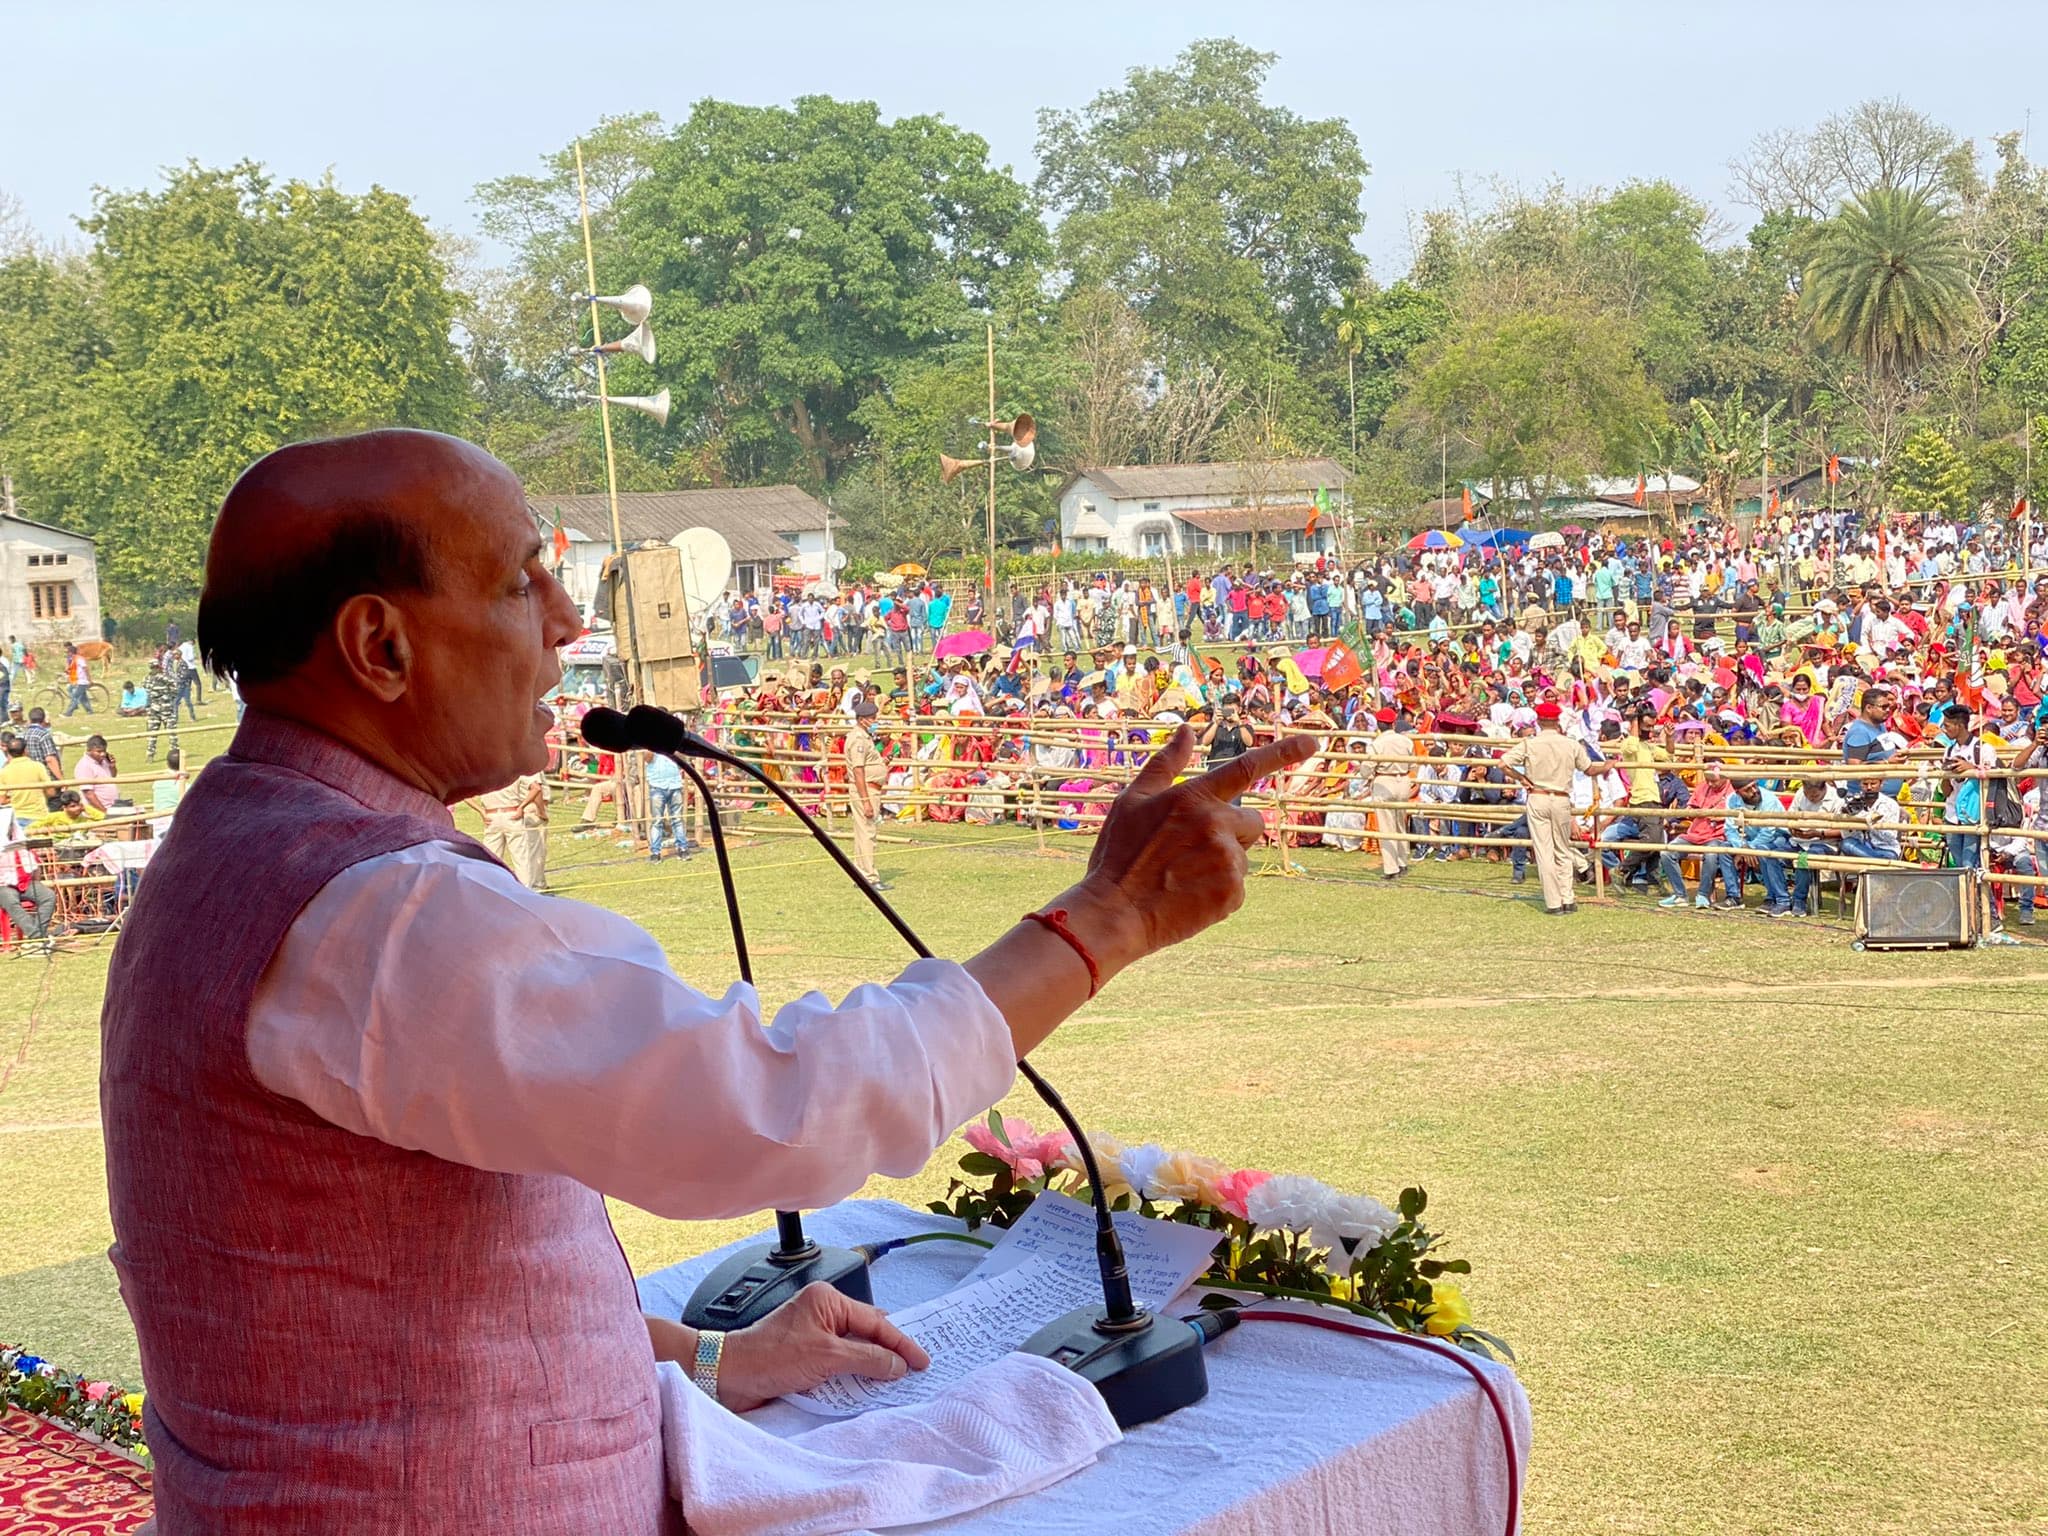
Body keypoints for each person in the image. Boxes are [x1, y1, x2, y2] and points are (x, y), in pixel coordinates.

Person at [100, 427, 1326, 1532]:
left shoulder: (233, 845)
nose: (567, 622)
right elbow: (782, 1109)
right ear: (380, 644)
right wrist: (1102, 920)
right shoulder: (384, 917)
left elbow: (344, 1304)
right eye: (521, 578)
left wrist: (704, 1362)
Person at [1498, 700, 1592, 914]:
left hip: (1538, 795)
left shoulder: (1529, 743)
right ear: (1557, 720)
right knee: (1562, 848)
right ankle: (1568, 898)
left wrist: (1521, 778)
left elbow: (1503, 764)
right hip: (1561, 798)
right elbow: (1588, 768)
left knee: (1544, 851)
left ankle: (1553, 902)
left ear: (1539, 721)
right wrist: (1607, 766)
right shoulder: (1571, 744)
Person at [475, 771, 550, 885]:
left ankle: (491, 887)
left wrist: (481, 811)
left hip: (491, 816)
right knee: (521, 858)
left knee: (491, 857)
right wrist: (523, 807)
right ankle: (526, 889)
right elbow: (537, 788)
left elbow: (463, 794)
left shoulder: (484, 772)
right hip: (512, 813)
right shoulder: (513, 770)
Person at [844, 696, 888, 887]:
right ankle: (869, 877)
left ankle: (861, 873)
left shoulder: (865, 737)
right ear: (863, 719)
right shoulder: (858, 739)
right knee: (867, 833)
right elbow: (858, 770)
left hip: (871, 788)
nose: (875, 721)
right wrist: (866, 800)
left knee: (863, 832)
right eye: (872, 718)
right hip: (866, 790)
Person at [0, 735, 52, 822]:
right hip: (39, 815)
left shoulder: (4, 771)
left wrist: (15, 797)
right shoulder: (38, 766)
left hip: (17, 816)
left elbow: (2, 800)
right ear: (25, 751)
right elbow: (51, 791)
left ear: (8, 753)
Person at [145, 654, 181, 762]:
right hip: (160, 708)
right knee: (162, 733)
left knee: (162, 734)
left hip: (160, 708)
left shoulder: (150, 678)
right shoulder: (156, 678)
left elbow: (174, 687)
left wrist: (168, 697)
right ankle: (155, 755)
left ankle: (154, 755)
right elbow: (175, 687)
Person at [76, 734, 119, 811]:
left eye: (104, 751)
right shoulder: (84, 766)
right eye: (98, 751)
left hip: (112, 807)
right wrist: (104, 811)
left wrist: (112, 766)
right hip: (98, 810)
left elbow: (113, 776)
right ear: (89, 750)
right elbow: (88, 794)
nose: (102, 754)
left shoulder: (104, 760)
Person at [153, 747, 187, 815]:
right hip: (174, 821)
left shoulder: (157, 783)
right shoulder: (185, 787)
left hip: (157, 819)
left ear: (167, 764)